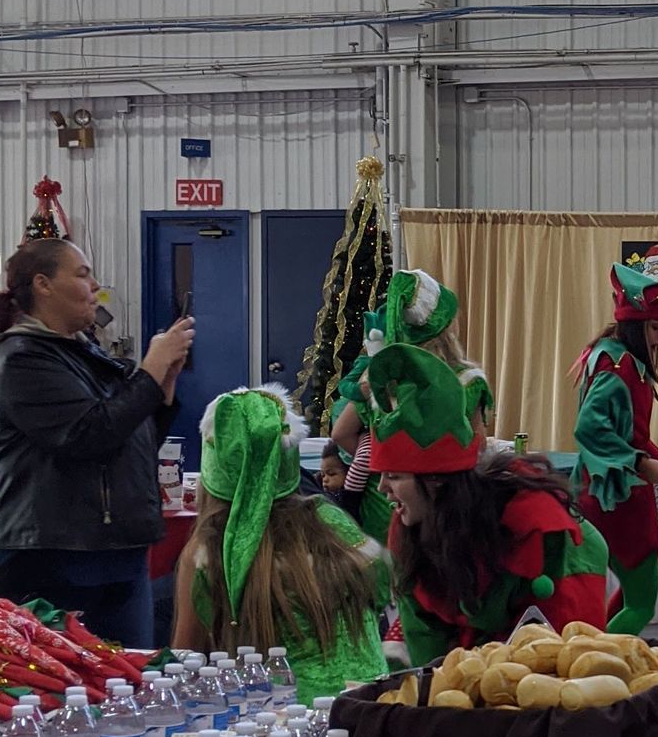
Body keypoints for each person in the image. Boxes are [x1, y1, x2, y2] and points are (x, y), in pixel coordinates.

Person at [0, 238, 193, 648]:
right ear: (43, 284)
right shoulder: (22, 358)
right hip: (54, 556)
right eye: (82, 274)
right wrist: (149, 371)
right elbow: (88, 435)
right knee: (63, 681)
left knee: (129, 675)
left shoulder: (87, 355)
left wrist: (163, 385)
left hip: (116, 549)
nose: (95, 285)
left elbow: (131, 438)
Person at [364, 344, 609, 664]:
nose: (382, 488)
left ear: (436, 480)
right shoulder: (407, 531)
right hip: (480, 606)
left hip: (568, 574)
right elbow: (425, 637)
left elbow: (546, 646)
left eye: (394, 477)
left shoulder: (529, 523)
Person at [172, 387, 388, 699]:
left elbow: (186, 661)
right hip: (372, 703)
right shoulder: (333, 521)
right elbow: (381, 591)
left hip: (284, 716)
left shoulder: (209, 550)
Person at [570, 261, 658, 632]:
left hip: (607, 492)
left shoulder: (615, 358)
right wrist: (641, 463)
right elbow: (590, 428)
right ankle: (591, 660)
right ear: (635, 326)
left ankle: (593, 649)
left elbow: (633, 434)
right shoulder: (620, 367)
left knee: (633, 595)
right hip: (618, 498)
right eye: (656, 327)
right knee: (642, 604)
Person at [320, 271, 480, 509]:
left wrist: (386, 464)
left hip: (384, 501)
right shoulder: (468, 380)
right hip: (444, 496)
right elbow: (478, 444)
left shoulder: (383, 373)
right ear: (448, 327)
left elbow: (341, 433)